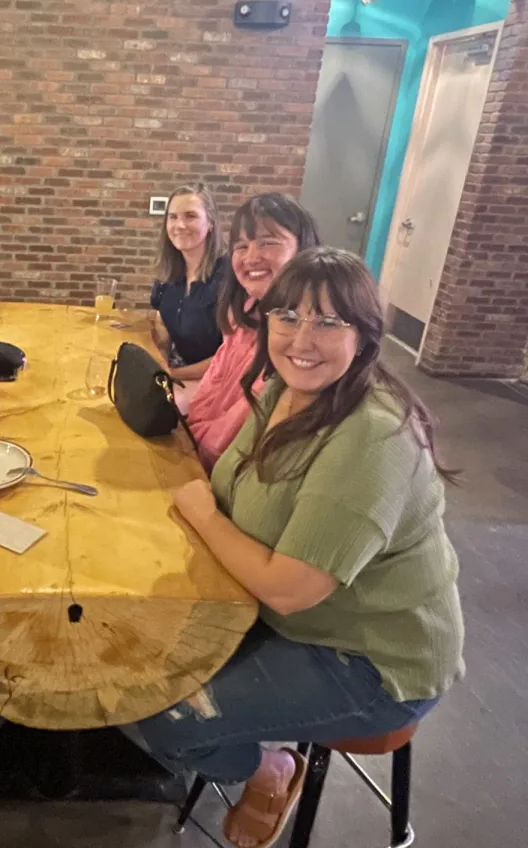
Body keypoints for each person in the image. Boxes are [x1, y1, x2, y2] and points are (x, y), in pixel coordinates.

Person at [131, 247, 464, 848]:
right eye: (288, 316)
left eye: (329, 321)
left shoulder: (372, 436)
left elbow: (289, 588)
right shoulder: (285, 389)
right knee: (119, 658)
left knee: (152, 710)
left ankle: (272, 769)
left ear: (365, 336)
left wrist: (203, 516)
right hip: (281, 615)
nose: (302, 338)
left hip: (371, 661)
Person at [188, 193, 320, 473]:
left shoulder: (301, 342)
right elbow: (209, 392)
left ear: (303, 250)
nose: (251, 257)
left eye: (268, 243)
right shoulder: (246, 317)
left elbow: (232, 439)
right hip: (200, 458)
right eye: (241, 246)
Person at [150, 183, 227, 405]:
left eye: (190, 216)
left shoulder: (229, 276)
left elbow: (234, 356)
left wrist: (172, 373)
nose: (179, 225)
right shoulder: (170, 271)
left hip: (216, 383)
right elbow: (161, 322)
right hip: (178, 371)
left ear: (210, 223)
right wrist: (160, 357)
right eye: (172, 217)